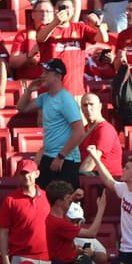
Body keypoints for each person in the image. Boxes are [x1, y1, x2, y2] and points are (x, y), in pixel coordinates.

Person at [18, 60, 87, 189]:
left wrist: (61, 156)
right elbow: (22, 108)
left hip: (65, 160)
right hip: (49, 157)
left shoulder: (66, 99)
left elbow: (79, 132)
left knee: (63, 202)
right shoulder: (46, 97)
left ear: (58, 76)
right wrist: (28, 91)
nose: (42, 75)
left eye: (46, 72)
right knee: (44, 199)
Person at [0, 161, 50, 264]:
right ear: (18, 176)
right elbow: (3, 232)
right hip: (20, 258)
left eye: (29, 173)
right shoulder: (10, 200)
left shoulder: (48, 197)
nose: (26, 176)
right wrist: (6, 262)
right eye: (22, 174)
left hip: (47, 259)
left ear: (37, 174)